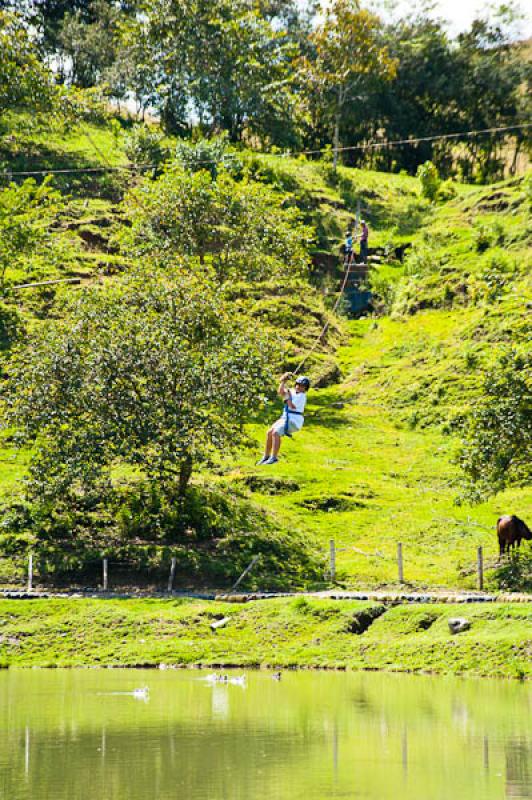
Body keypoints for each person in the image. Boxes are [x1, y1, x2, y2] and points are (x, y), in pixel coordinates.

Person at [257, 373, 310, 465]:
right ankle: (266, 456)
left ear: (305, 388)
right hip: (285, 418)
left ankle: (274, 457)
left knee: (276, 433)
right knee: (269, 432)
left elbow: (291, 406)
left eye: (302, 386)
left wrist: (287, 396)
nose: (299, 387)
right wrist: (283, 382)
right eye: (297, 385)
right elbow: (281, 392)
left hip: (294, 421)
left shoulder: (302, 396)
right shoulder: (292, 391)